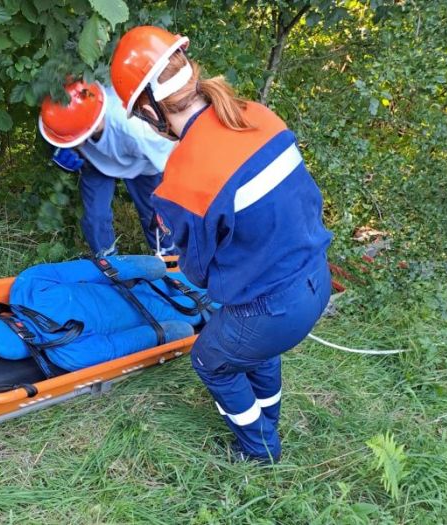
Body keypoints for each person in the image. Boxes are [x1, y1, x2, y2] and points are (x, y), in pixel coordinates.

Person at [109, 26, 333, 463]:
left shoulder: (182, 180)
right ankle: (269, 421)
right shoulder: (258, 115)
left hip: (272, 310)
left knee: (211, 360)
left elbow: (196, 271)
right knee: (254, 351)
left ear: (151, 112)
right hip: (317, 280)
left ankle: (259, 449)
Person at [39, 80, 178, 256]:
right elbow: (52, 124)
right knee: (95, 218)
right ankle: (109, 264)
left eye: (73, 138)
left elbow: (175, 165)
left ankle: (169, 259)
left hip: (143, 164)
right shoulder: (71, 106)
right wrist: (58, 147)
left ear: (94, 125)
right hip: (95, 162)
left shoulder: (139, 131)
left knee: (156, 214)